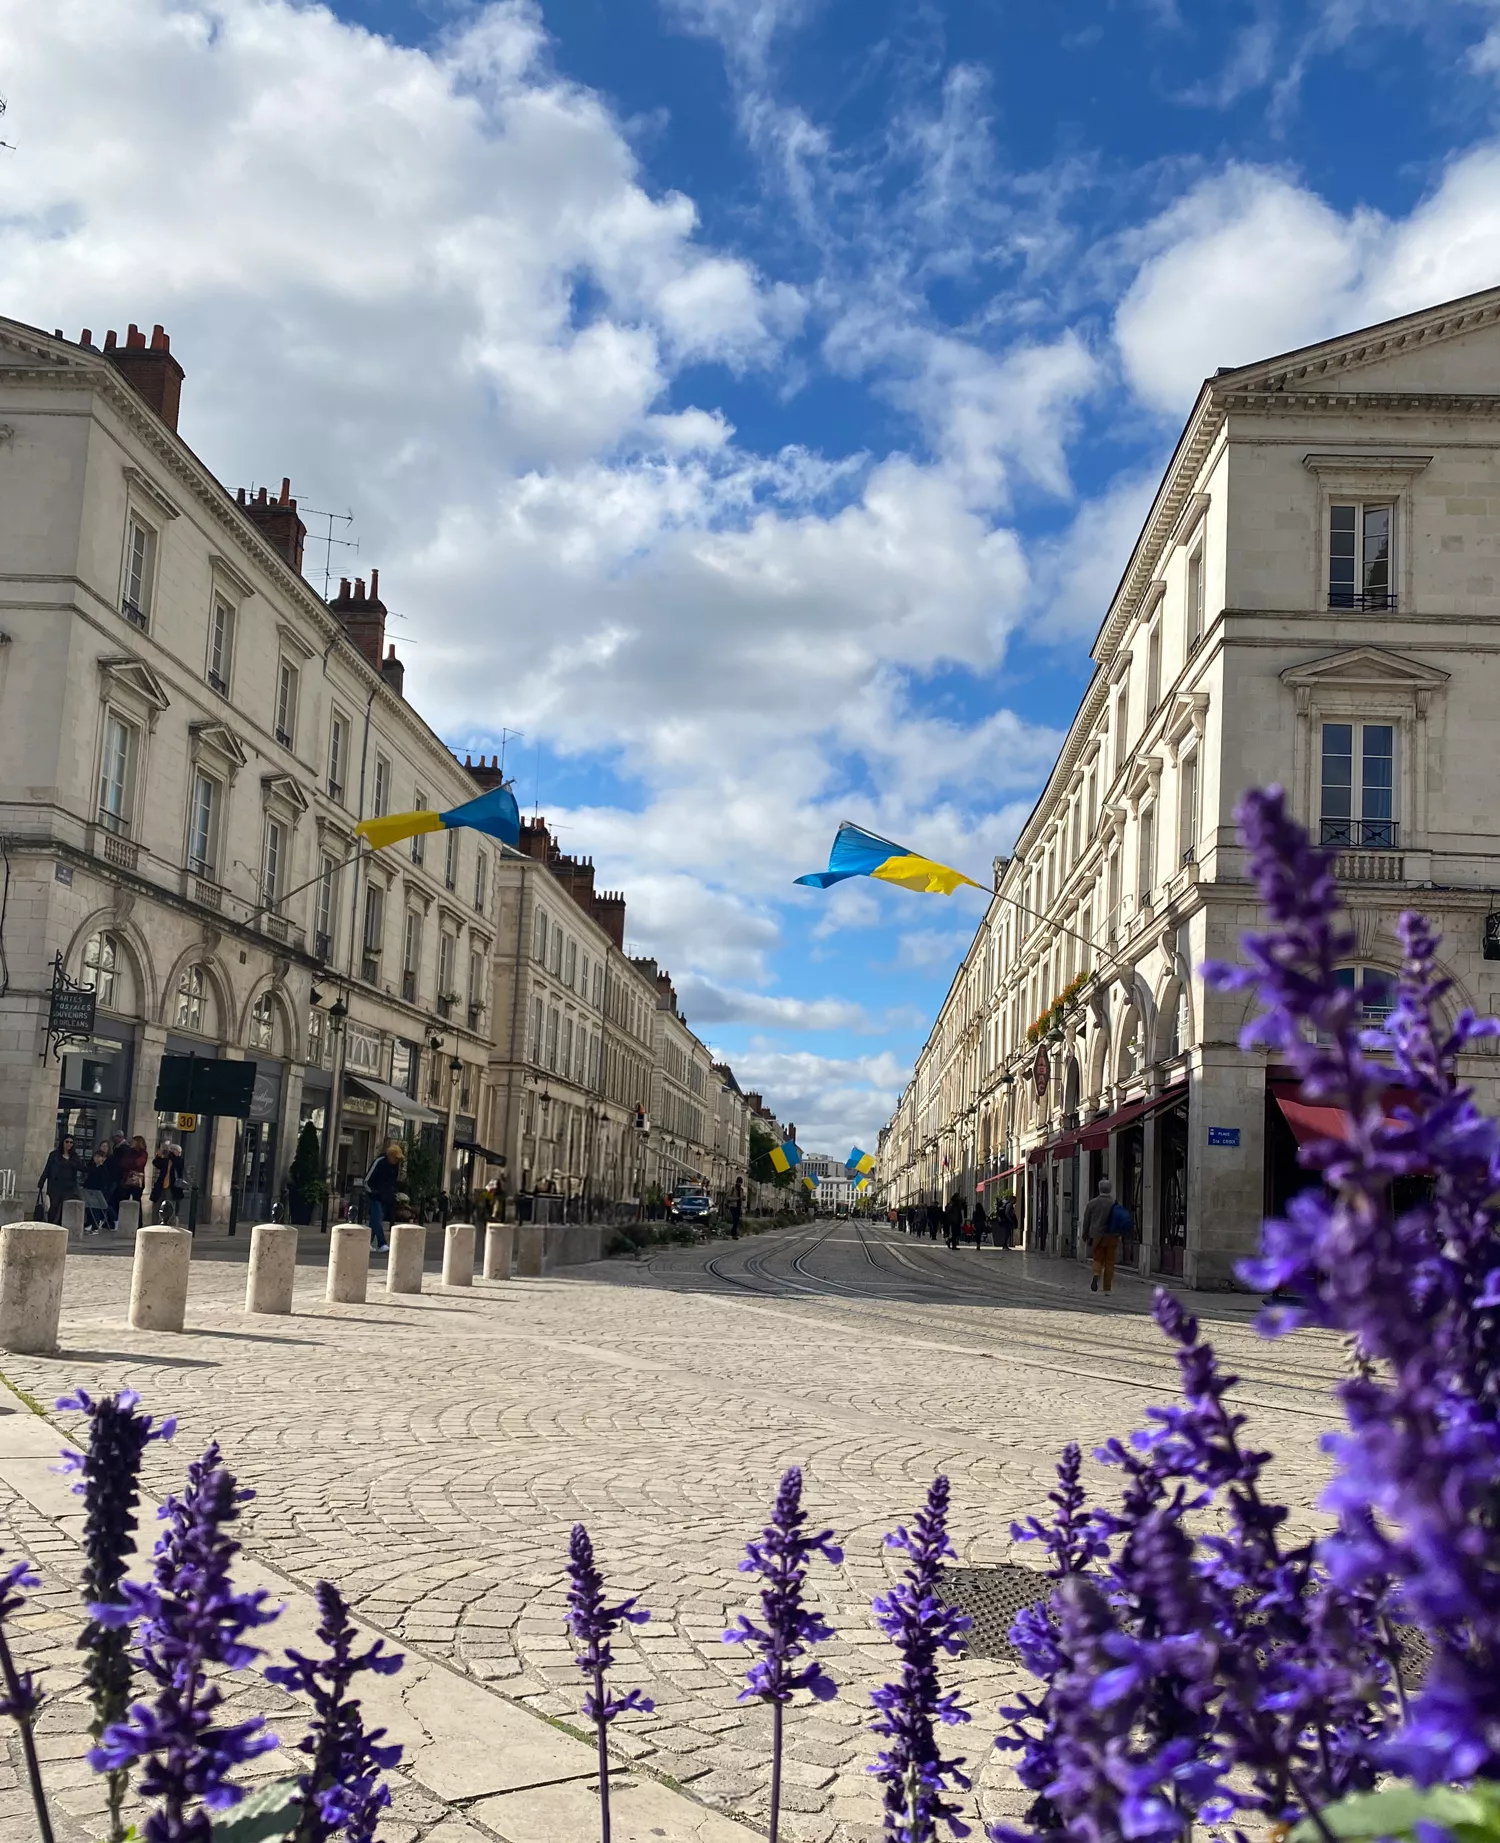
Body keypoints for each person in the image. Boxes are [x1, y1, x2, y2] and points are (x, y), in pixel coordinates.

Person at [1081, 1177, 1127, 1295]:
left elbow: (1086, 1221)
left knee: (1098, 1258)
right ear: (1110, 1190)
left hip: (1097, 1236)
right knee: (1110, 1262)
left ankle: (1096, 1274)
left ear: (1099, 1189)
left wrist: (1085, 1234)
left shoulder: (1092, 1204)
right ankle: (1107, 1288)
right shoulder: (1115, 1204)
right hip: (1112, 1236)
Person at [365, 1142, 402, 1252]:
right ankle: (382, 1243)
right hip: (375, 1195)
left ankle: (366, 1242)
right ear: (390, 1155)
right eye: (395, 1157)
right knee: (377, 1218)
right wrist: (373, 1192)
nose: (396, 1160)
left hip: (385, 1196)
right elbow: (367, 1180)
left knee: (375, 1220)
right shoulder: (380, 1162)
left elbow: (392, 1182)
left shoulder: (395, 1166)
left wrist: (391, 1194)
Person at [38, 1135, 81, 1224]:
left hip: (68, 1185)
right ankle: (50, 1223)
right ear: (63, 1142)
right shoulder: (54, 1155)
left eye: (71, 1142)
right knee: (54, 1206)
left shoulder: (74, 1156)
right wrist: (42, 1181)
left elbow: (81, 1167)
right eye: (67, 1142)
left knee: (64, 1207)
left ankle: (60, 1224)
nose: (69, 1144)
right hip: (55, 1185)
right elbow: (48, 1168)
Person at [150, 1139, 185, 1222]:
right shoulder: (166, 1161)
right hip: (161, 1186)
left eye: (173, 1151)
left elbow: (178, 1165)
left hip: (172, 1188)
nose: (171, 1152)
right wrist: (160, 1152)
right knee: (157, 1206)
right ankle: (155, 1223)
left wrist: (170, 1151)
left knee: (169, 1207)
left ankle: (169, 1223)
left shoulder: (179, 1161)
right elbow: (156, 1163)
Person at [730, 1175, 743, 1240]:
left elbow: (741, 1197)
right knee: (735, 1220)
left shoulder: (741, 1190)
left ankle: (734, 1233)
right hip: (733, 1206)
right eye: (738, 1182)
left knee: (737, 1221)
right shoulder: (732, 1189)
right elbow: (728, 1197)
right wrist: (736, 1199)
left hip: (739, 1206)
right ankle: (734, 1234)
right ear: (736, 1182)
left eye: (740, 1183)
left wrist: (742, 1198)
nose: (739, 1184)